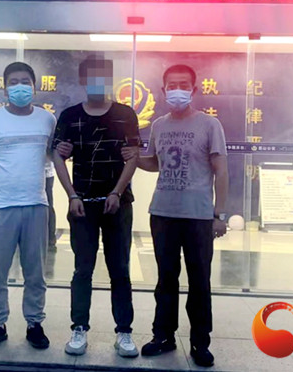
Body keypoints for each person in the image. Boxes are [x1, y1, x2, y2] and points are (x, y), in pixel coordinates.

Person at [123, 64, 228, 368]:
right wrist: (135, 159)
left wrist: (219, 214)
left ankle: (200, 342)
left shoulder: (210, 125)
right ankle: (163, 336)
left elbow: (221, 171)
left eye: (184, 85)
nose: (177, 90)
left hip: (198, 216)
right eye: (172, 85)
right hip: (163, 213)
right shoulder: (159, 125)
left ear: (193, 89)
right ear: (163, 89)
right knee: (166, 279)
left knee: (199, 281)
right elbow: (157, 163)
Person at [52, 55, 140, 358]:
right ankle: (79, 328)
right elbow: (57, 156)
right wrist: (72, 195)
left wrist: (117, 191)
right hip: (82, 206)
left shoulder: (125, 114)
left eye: (103, 77)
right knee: (82, 269)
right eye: (91, 77)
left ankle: (124, 332)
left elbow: (133, 157)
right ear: (82, 80)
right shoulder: (69, 115)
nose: (97, 83)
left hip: (118, 204)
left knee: (120, 269)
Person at [0, 61, 56, 350]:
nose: (20, 87)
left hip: (36, 205)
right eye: (13, 82)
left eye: (25, 82)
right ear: (5, 88)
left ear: (35, 86)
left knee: (36, 272)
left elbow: (55, 155)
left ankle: (35, 323)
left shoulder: (47, 119)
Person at [45, 160, 57, 251]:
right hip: (46, 173)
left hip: (46, 173)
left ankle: (51, 237)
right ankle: (51, 238)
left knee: (48, 206)